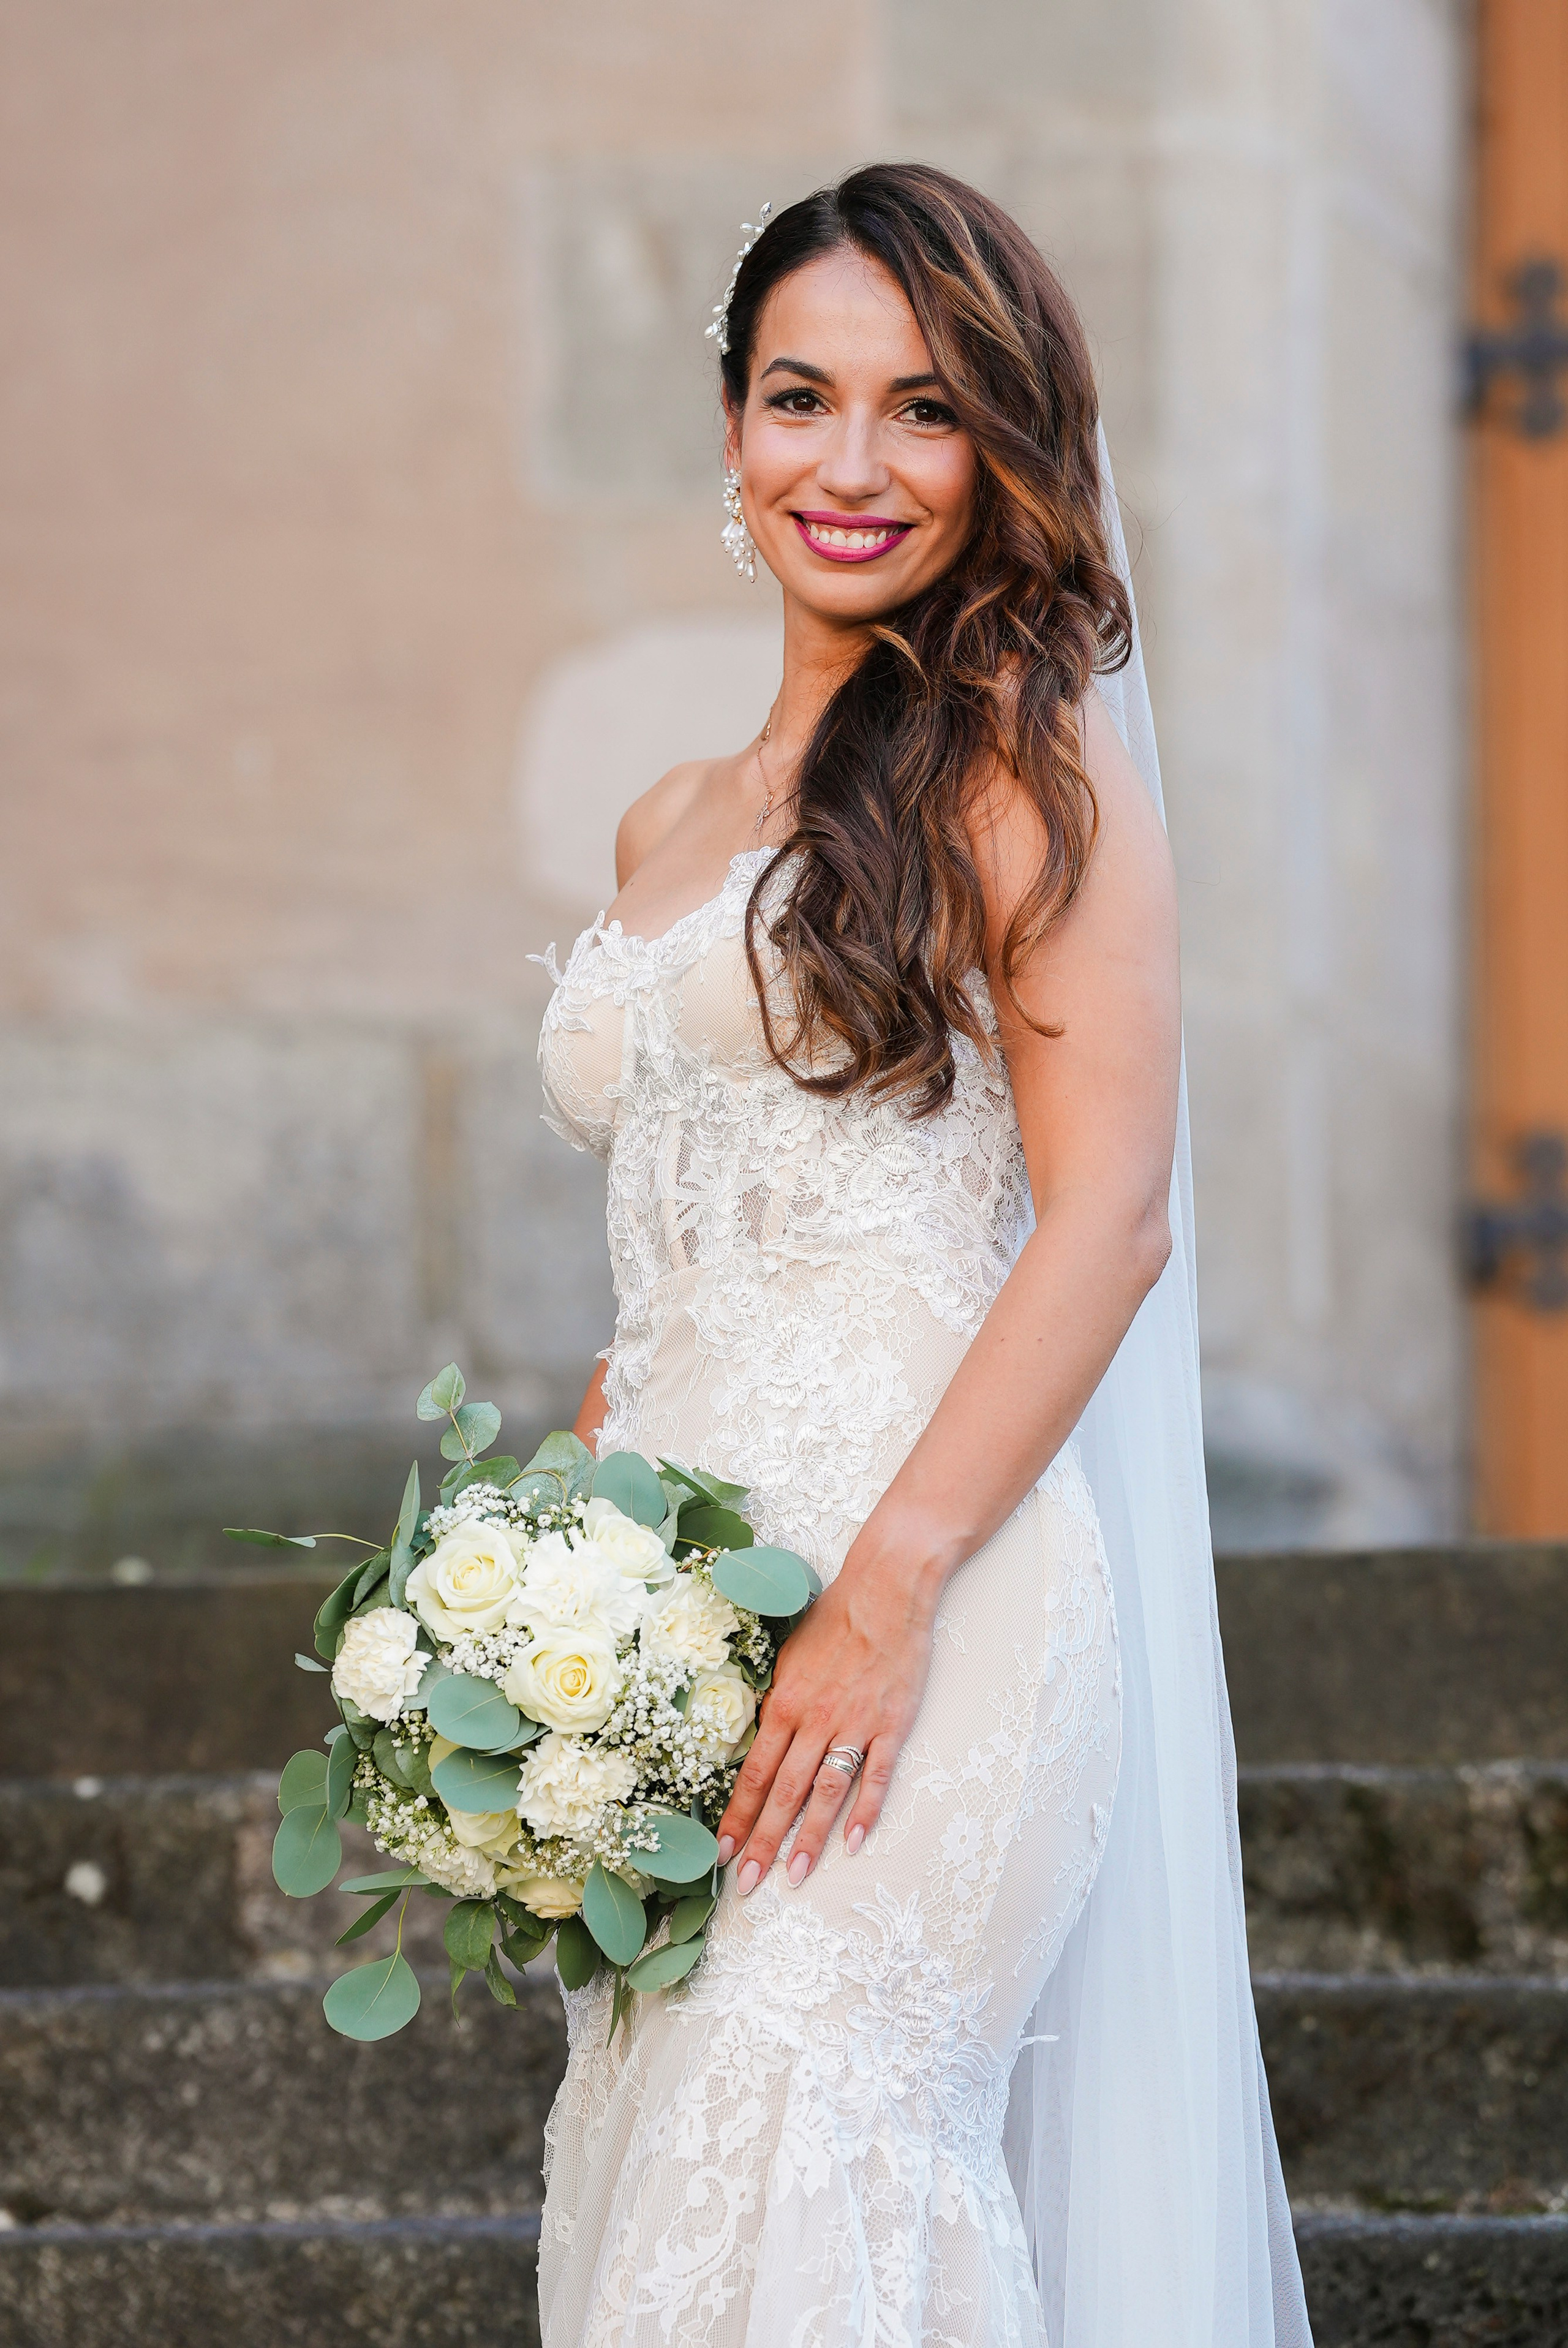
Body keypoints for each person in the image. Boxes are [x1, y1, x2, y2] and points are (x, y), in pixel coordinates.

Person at [535, 164, 1311, 2348]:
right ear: (730, 426)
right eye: (804, 397)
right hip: (678, 1640)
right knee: (663, 2196)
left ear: (1005, 452)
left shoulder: (1026, 774)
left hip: (931, 1622)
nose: (853, 466)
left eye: (925, 409)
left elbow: (1115, 1220)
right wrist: (545, 1564)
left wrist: (880, 1602)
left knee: (807, 2173)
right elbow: (682, 1244)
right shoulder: (666, 821)